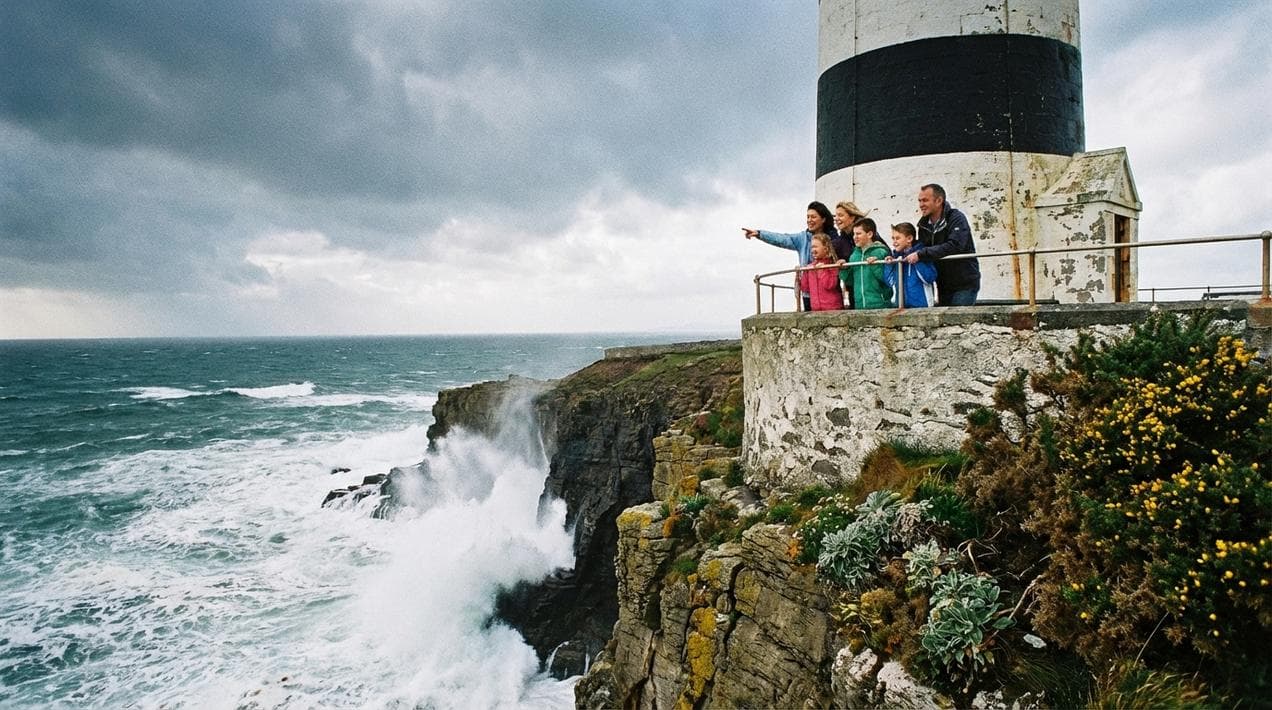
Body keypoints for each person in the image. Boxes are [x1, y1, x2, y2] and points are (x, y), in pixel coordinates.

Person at [742, 201, 836, 311]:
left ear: (823, 219)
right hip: (808, 294)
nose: (809, 220)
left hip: (829, 295)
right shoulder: (802, 238)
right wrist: (759, 234)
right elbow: (782, 239)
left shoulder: (833, 239)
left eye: (813, 217)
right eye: (808, 217)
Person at [903, 183, 980, 306]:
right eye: (919, 201)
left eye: (925, 200)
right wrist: (896, 255)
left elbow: (955, 245)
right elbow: (919, 248)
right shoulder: (923, 225)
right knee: (947, 323)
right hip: (942, 284)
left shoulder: (956, 218)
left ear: (939, 201)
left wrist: (922, 254)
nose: (921, 205)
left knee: (956, 320)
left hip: (964, 283)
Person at [875, 222, 937, 308]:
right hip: (901, 306)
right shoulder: (897, 257)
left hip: (922, 305)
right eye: (893, 238)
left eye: (897, 238)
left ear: (909, 238)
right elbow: (890, 282)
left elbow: (930, 278)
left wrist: (917, 260)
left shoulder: (922, 254)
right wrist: (889, 265)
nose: (894, 242)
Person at [847, 218, 892, 310]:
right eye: (854, 234)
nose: (854, 237)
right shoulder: (853, 256)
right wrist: (843, 269)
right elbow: (850, 282)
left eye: (858, 233)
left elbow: (887, 279)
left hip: (880, 304)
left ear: (870, 234)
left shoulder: (881, 252)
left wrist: (875, 266)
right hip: (859, 306)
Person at [798, 233, 845, 311]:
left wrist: (821, 270)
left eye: (815, 247)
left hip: (833, 308)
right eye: (812, 247)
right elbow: (805, 288)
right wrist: (804, 273)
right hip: (816, 309)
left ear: (826, 248)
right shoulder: (811, 266)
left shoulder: (832, 265)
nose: (813, 250)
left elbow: (830, 285)